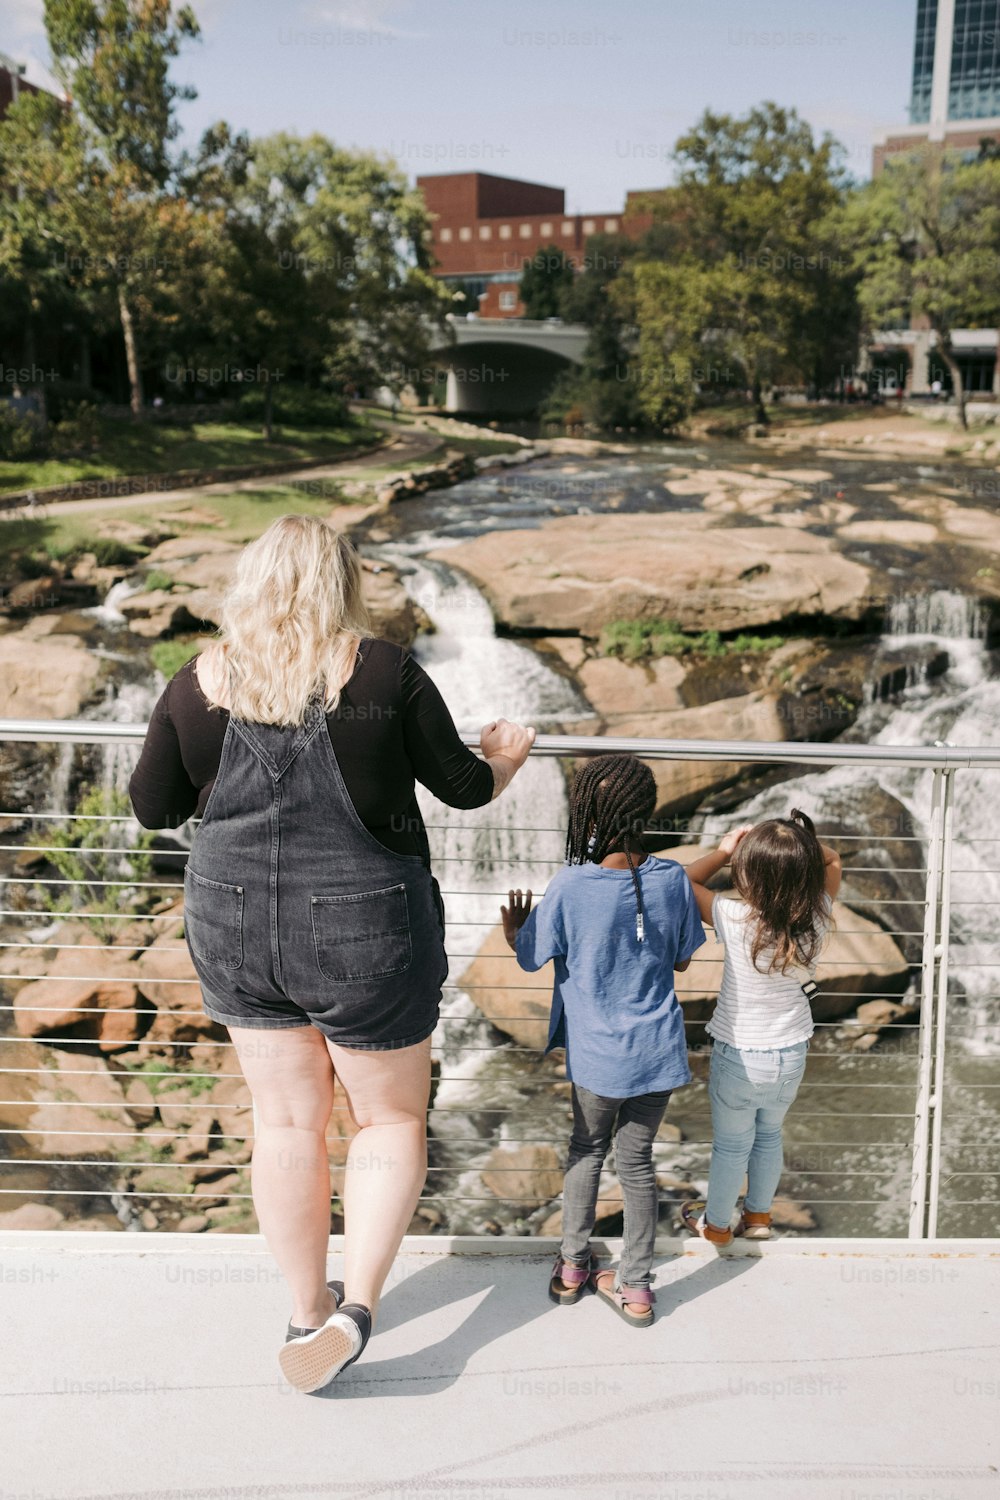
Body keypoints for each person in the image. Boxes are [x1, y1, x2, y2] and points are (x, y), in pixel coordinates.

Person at [129, 514, 535, 1391]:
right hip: (362, 929)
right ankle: (358, 1309)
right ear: (340, 583)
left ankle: (304, 1310)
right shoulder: (384, 671)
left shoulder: (194, 684)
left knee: (285, 1124)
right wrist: (504, 759)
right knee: (385, 1120)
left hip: (233, 924)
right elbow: (463, 790)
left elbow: (153, 810)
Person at [501, 754, 705, 1328]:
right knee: (637, 1163)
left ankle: (572, 1269)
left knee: (588, 1149)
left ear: (587, 812)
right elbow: (684, 958)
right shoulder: (672, 879)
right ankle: (635, 1288)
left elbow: (531, 957)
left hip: (596, 1057)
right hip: (658, 1050)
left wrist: (516, 931)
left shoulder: (570, 886)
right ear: (647, 811)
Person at [680, 810, 841, 1246]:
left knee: (732, 1147)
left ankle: (715, 1225)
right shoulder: (818, 916)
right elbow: (833, 862)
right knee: (769, 1134)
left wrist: (724, 850)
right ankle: (759, 1218)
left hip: (740, 1057)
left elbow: (680, 882)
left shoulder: (733, 917)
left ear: (749, 876)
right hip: (791, 1054)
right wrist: (803, 848)